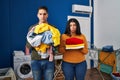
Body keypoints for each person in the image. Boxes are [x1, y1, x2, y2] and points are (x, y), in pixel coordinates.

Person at [25, 6, 60, 80]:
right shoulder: (32, 28)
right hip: (35, 60)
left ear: (47, 15)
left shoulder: (53, 28)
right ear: (37, 15)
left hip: (49, 61)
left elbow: (56, 44)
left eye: (44, 14)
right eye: (40, 14)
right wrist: (38, 40)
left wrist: (52, 51)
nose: (42, 16)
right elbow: (28, 45)